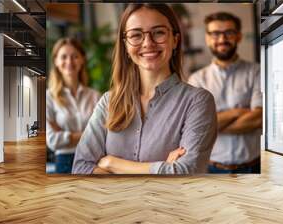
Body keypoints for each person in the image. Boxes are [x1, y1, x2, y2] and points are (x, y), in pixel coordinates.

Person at [72, 3, 217, 174]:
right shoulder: (108, 102)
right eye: (136, 35)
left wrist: (111, 163)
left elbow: (185, 171)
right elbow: (81, 167)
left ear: (175, 40)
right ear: (125, 45)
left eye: (159, 33)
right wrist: (164, 168)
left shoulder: (198, 101)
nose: (148, 43)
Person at [188, 12, 262, 174]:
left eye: (229, 32)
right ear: (207, 38)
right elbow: (195, 126)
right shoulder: (196, 80)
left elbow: (259, 118)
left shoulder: (257, 72)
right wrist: (238, 112)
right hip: (212, 168)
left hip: (254, 167)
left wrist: (211, 125)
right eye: (215, 33)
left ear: (239, 36)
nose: (222, 39)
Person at [46, 38, 101, 173]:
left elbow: (103, 136)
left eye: (75, 56)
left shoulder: (95, 96)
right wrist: (89, 134)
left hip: (94, 160)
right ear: (56, 61)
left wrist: (66, 135)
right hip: (65, 163)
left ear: (82, 59)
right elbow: (52, 140)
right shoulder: (48, 97)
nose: (69, 62)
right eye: (63, 57)